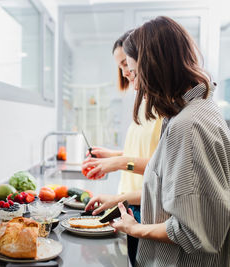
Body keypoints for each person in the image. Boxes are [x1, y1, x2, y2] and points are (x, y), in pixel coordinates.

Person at [105, 16, 230, 266]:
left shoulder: (189, 126)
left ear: (152, 68)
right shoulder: (191, 113)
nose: (134, 82)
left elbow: (194, 231)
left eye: (133, 70)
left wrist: (135, 228)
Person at [82, 31, 162, 265]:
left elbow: (162, 167)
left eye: (127, 64)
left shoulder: (164, 109)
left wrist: (116, 163)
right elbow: (146, 153)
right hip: (133, 203)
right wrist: (112, 155)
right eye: (120, 66)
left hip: (147, 207)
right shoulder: (143, 103)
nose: (125, 72)